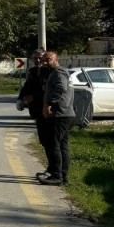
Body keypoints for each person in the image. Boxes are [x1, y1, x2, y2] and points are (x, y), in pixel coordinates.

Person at [40, 51, 75, 185]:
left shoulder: (58, 73)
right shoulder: (63, 72)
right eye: (43, 60)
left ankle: (57, 176)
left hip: (59, 115)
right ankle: (63, 176)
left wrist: (50, 104)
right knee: (62, 146)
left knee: (54, 145)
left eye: (47, 60)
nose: (44, 62)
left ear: (56, 60)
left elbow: (61, 88)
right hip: (66, 114)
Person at [17, 49, 50, 167]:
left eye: (40, 57)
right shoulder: (32, 72)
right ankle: (51, 169)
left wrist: (33, 97)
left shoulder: (49, 72)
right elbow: (26, 86)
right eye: (35, 58)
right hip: (36, 110)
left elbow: (46, 91)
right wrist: (20, 98)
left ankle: (54, 171)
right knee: (43, 140)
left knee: (49, 141)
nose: (38, 60)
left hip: (47, 110)